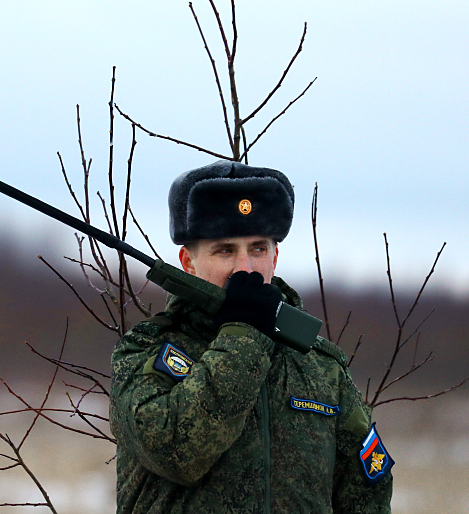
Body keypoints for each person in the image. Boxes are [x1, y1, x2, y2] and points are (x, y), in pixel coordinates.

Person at [109, 160, 393, 513]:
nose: (245, 268)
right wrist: (244, 333)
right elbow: (178, 453)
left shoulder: (320, 367)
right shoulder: (144, 352)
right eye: (225, 250)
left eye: (258, 248)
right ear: (188, 262)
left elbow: (369, 491)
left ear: (275, 257)